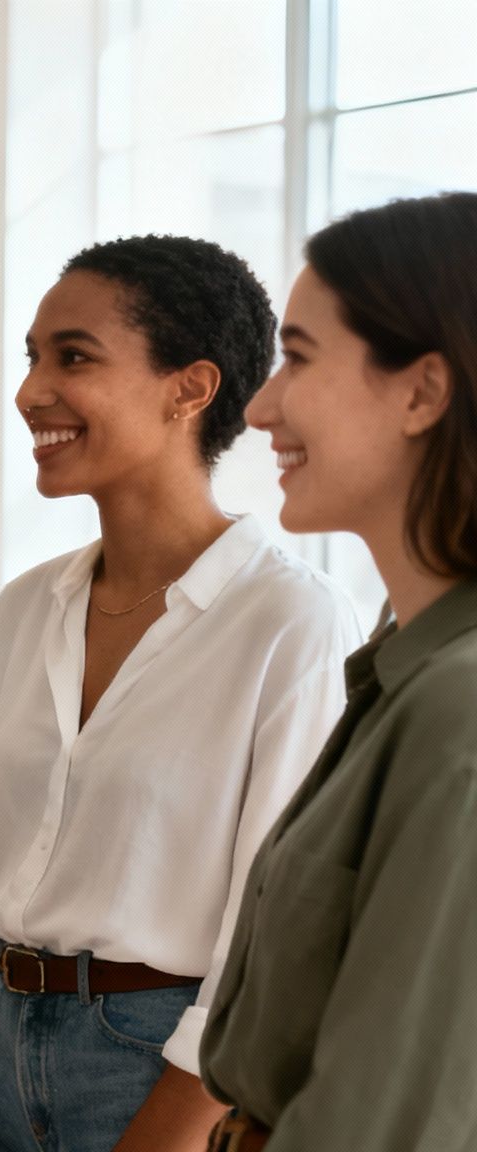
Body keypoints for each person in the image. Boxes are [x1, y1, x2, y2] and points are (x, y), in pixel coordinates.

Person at [0, 236, 362, 1152]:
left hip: (159, 1074)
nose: (31, 390)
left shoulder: (290, 621)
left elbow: (267, 952)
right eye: (32, 357)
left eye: (72, 356)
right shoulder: (25, 610)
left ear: (189, 389)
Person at [200, 191, 477, 1152]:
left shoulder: (459, 709)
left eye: (299, 356)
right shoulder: (404, 667)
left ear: (422, 391)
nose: (261, 404)